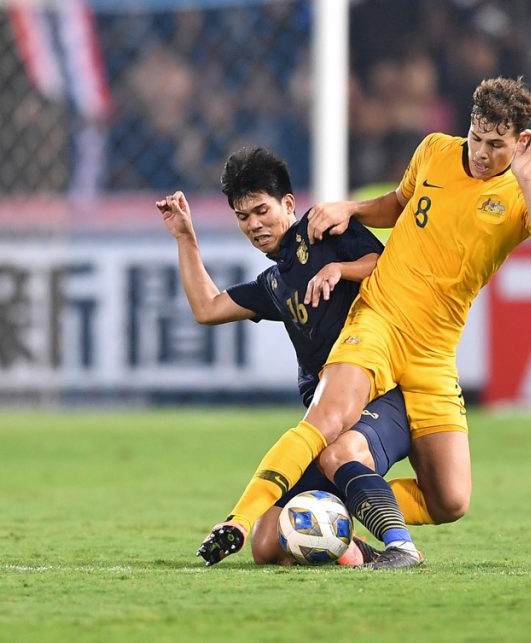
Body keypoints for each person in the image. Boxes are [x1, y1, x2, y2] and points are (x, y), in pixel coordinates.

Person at [197, 76, 531, 569]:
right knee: (326, 423)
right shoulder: (435, 151)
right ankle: (243, 522)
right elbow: (398, 203)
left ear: (520, 143)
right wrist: (351, 209)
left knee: (449, 500)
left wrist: (523, 178)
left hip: (435, 351)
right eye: (476, 137)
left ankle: (336, 517)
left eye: (496, 145)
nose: (481, 153)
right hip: (380, 318)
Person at [157, 146, 412, 567]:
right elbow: (208, 308)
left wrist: (340, 269)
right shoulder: (274, 283)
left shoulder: (324, 229)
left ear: (288, 204)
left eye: (262, 210)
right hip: (327, 419)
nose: (254, 225)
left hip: (383, 397)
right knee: (267, 546)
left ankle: (403, 547)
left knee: (343, 456)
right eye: (243, 217)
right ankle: (361, 553)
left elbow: (388, 266)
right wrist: (185, 237)